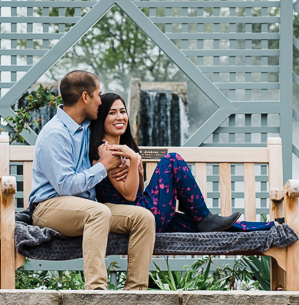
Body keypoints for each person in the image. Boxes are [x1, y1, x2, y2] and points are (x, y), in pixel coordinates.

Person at [28, 71, 156, 290]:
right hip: (50, 207)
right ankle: (96, 291)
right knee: (98, 213)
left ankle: (135, 294)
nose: (100, 101)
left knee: (143, 218)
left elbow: (110, 145)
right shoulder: (55, 134)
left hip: (89, 207)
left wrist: (128, 161)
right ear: (85, 97)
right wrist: (103, 166)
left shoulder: (87, 128)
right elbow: (66, 186)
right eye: (98, 95)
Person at [90, 93, 270, 232]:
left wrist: (139, 171)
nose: (120, 117)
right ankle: (205, 216)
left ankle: (273, 226)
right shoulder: (108, 151)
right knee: (172, 160)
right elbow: (129, 197)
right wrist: (135, 158)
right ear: (101, 118)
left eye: (122, 111)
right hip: (139, 217)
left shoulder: (119, 147)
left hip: (143, 213)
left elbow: (135, 192)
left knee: (203, 227)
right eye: (112, 113)